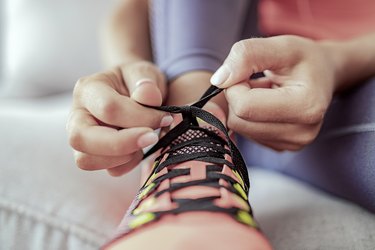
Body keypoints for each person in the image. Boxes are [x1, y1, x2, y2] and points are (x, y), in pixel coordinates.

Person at [66, 0, 375, 247]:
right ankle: (191, 139)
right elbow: (137, 7)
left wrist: (337, 60)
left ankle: (194, 140)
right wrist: (130, 74)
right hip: (220, 49)